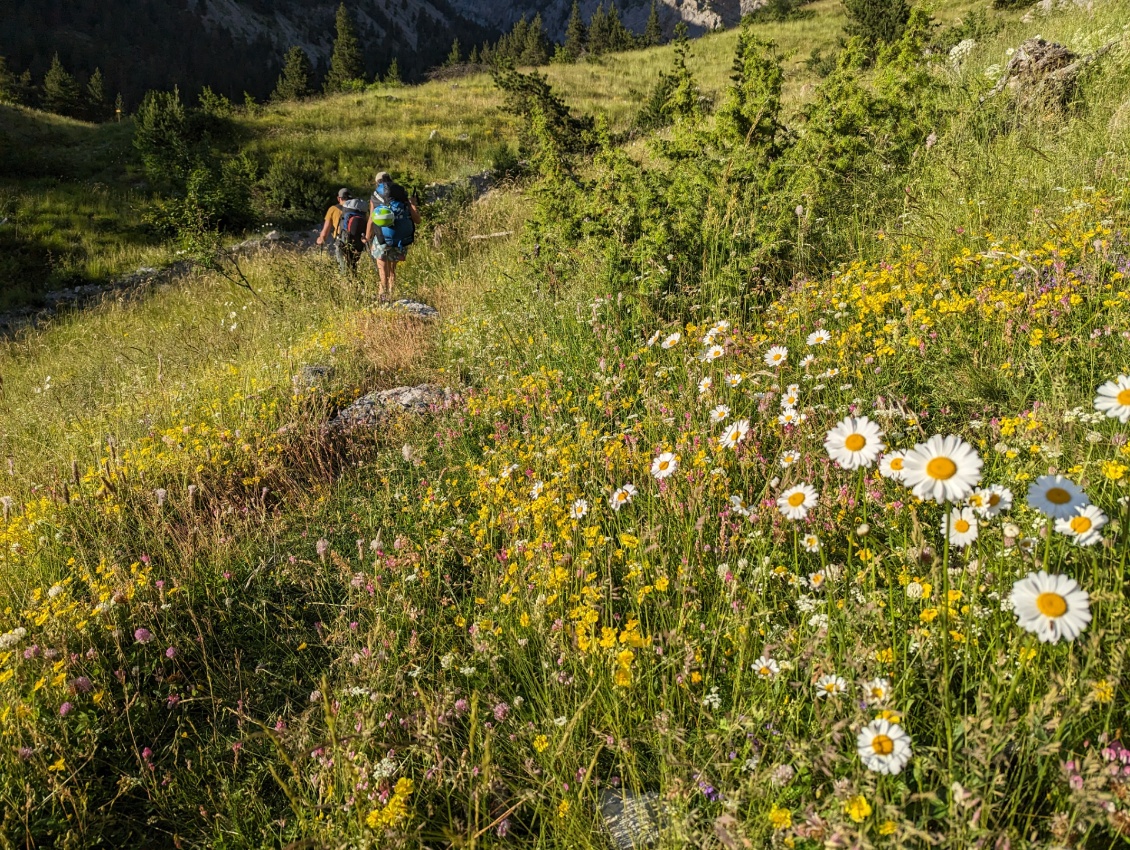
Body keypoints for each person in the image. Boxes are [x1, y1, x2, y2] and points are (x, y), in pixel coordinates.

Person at [364, 171, 421, 303]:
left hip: (381, 238)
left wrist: (367, 237)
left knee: (382, 270)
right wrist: (413, 204)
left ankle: (383, 298)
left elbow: (372, 220)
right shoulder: (401, 195)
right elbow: (417, 220)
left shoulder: (375, 196)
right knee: (392, 271)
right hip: (398, 238)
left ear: (377, 182)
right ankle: (392, 295)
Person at [316, 188, 367, 274]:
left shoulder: (333, 209)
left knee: (343, 269)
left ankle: (347, 284)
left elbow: (325, 231)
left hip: (341, 241)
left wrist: (321, 239)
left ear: (339, 198)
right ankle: (354, 284)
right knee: (353, 267)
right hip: (357, 241)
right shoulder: (359, 210)